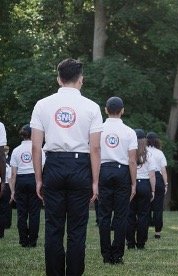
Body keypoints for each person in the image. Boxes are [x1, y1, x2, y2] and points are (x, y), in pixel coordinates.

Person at [30, 58, 103, 275]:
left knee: (53, 228)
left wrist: (38, 179)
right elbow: (96, 148)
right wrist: (96, 181)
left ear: (58, 79)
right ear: (81, 79)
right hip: (81, 166)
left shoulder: (42, 105)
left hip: (53, 164)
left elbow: (36, 147)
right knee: (77, 229)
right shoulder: (92, 107)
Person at [98, 97, 138, 264]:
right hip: (122, 173)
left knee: (104, 216)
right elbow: (132, 160)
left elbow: (93, 153)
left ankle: (106, 255)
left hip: (103, 170)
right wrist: (134, 183)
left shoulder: (98, 129)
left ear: (106, 110)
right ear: (123, 110)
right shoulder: (129, 132)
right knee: (121, 216)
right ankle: (117, 255)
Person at [9, 125, 44, 247]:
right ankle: (32, 241)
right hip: (34, 179)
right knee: (34, 212)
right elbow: (43, 168)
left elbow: (13, 174)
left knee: (21, 213)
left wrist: (13, 191)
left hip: (21, 181)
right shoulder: (39, 149)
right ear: (32, 134)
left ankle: (23, 240)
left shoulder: (16, 150)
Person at [126, 129, 155, 250]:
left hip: (131, 184)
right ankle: (141, 243)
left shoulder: (128, 152)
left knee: (130, 215)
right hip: (144, 185)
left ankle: (130, 242)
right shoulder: (149, 154)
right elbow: (152, 175)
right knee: (143, 215)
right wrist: (153, 190)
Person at [146, 132, 168, 239]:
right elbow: (163, 170)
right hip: (158, 179)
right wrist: (166, 184)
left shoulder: (143, 151)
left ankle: (143, 229)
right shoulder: (160, 153)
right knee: (158, 208)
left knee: (144, 207)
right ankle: (157, 232)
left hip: (146, 178)